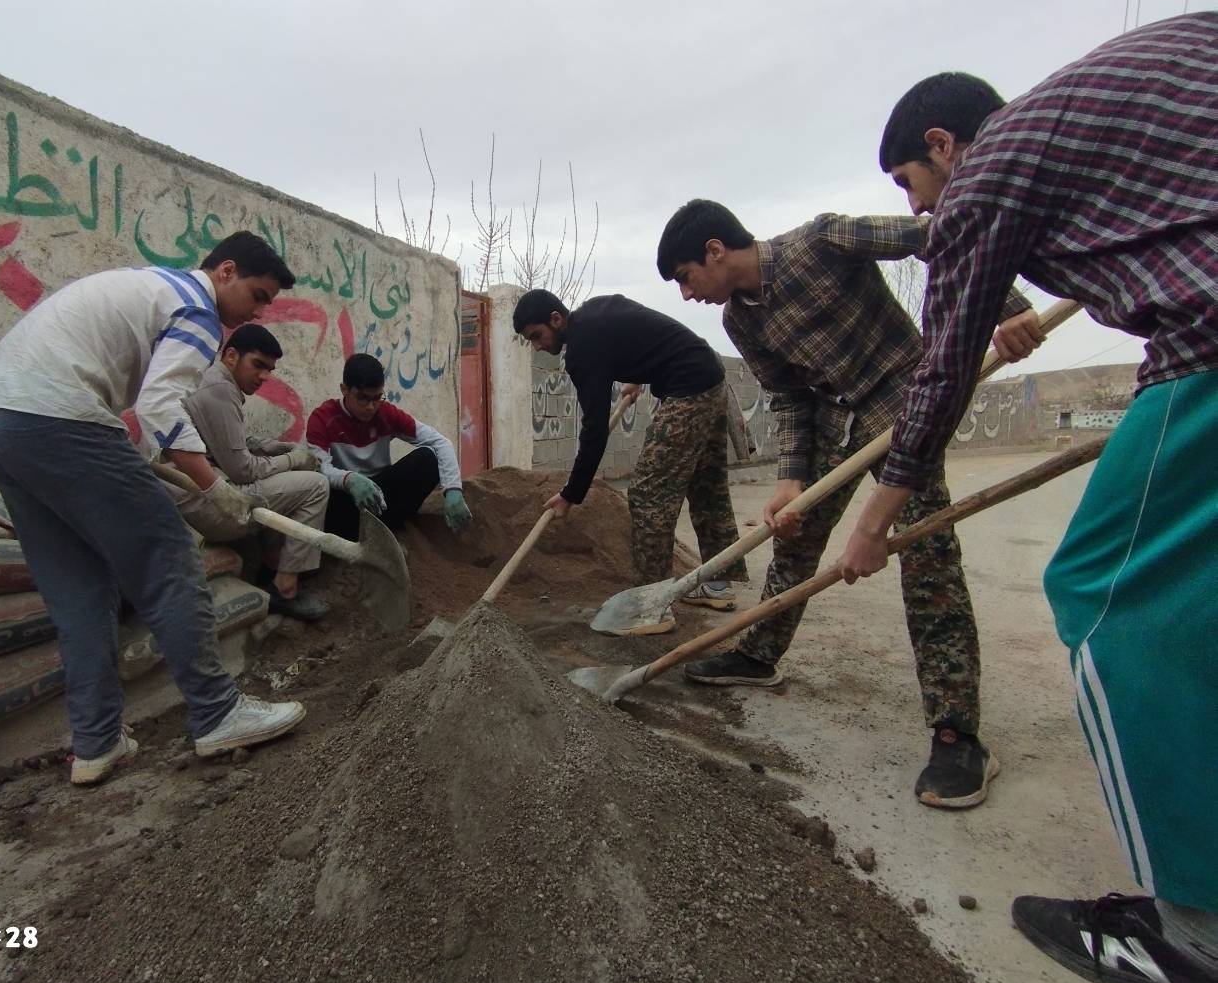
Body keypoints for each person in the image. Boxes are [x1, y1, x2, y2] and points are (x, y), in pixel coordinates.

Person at [839, 17, 1218, 983]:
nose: (919, 207)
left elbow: (941, 367)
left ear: (942, 145)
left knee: (1102, 587)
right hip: (1192, 338)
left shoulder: (992, 165)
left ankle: (1191, 939)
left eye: (910, 182)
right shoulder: (1123, 97)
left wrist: (874, 518)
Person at [655, 199, 1039, 808]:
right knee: (794, 536)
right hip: (836, 422)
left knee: (926, 555)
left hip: (905, 405)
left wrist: (1009, 307)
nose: (686, 293)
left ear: (714, 251)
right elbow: (787, 397)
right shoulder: (740, 322)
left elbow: (940, 234)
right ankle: (759, 655)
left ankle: (958, 733)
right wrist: (789, 480)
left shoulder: (824, 240)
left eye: (684, 277)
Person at [0, 232, 307, 787]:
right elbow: (159, 403)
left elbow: (147, 408)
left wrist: (153, 458)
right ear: (225, 271)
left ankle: (97, 743)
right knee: (169, 554)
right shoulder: (198, 311)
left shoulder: (155, 286)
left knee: (79, 586)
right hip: (57, 418)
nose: (260, 309)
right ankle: (219, 713)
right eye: (259, 293)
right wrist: (211, 484)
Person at [513, 289, 746, 635]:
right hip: (709, 374)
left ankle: (650, 605)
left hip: (689, 386)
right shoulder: (593, 313)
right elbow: (642, 330)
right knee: (707, 487)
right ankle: (718, 583)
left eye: (537, 336)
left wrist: (571, 494)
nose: (537, 346)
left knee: (648, 492)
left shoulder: (582, 349)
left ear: (556, 319)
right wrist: (638, 372)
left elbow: (594, 431)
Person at [178, 323, 330, 623]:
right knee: (316, 486)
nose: (264, 377)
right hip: (206, 499)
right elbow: (243, 469)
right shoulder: (219, 389)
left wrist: (276, 448)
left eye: (269, 369)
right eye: (258, 365)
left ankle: (271, 564)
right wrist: (293, 460)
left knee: (286, 478)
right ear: (232, 356)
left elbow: (232, 443)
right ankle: (284, 588)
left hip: (200, 489)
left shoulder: (215, 380)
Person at [305, 353, 472, 540]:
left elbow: (440, 442)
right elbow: (319, 469)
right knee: (319, 491)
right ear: (344, 390)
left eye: (377, 398)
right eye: (363, 398)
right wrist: (348, 480)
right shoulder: (322, 418)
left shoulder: (386, 414)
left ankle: (385, 530)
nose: (370, 407)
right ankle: (356, 535)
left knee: (427, 458)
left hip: (380, 497)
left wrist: (453, 490)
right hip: (345, 497)